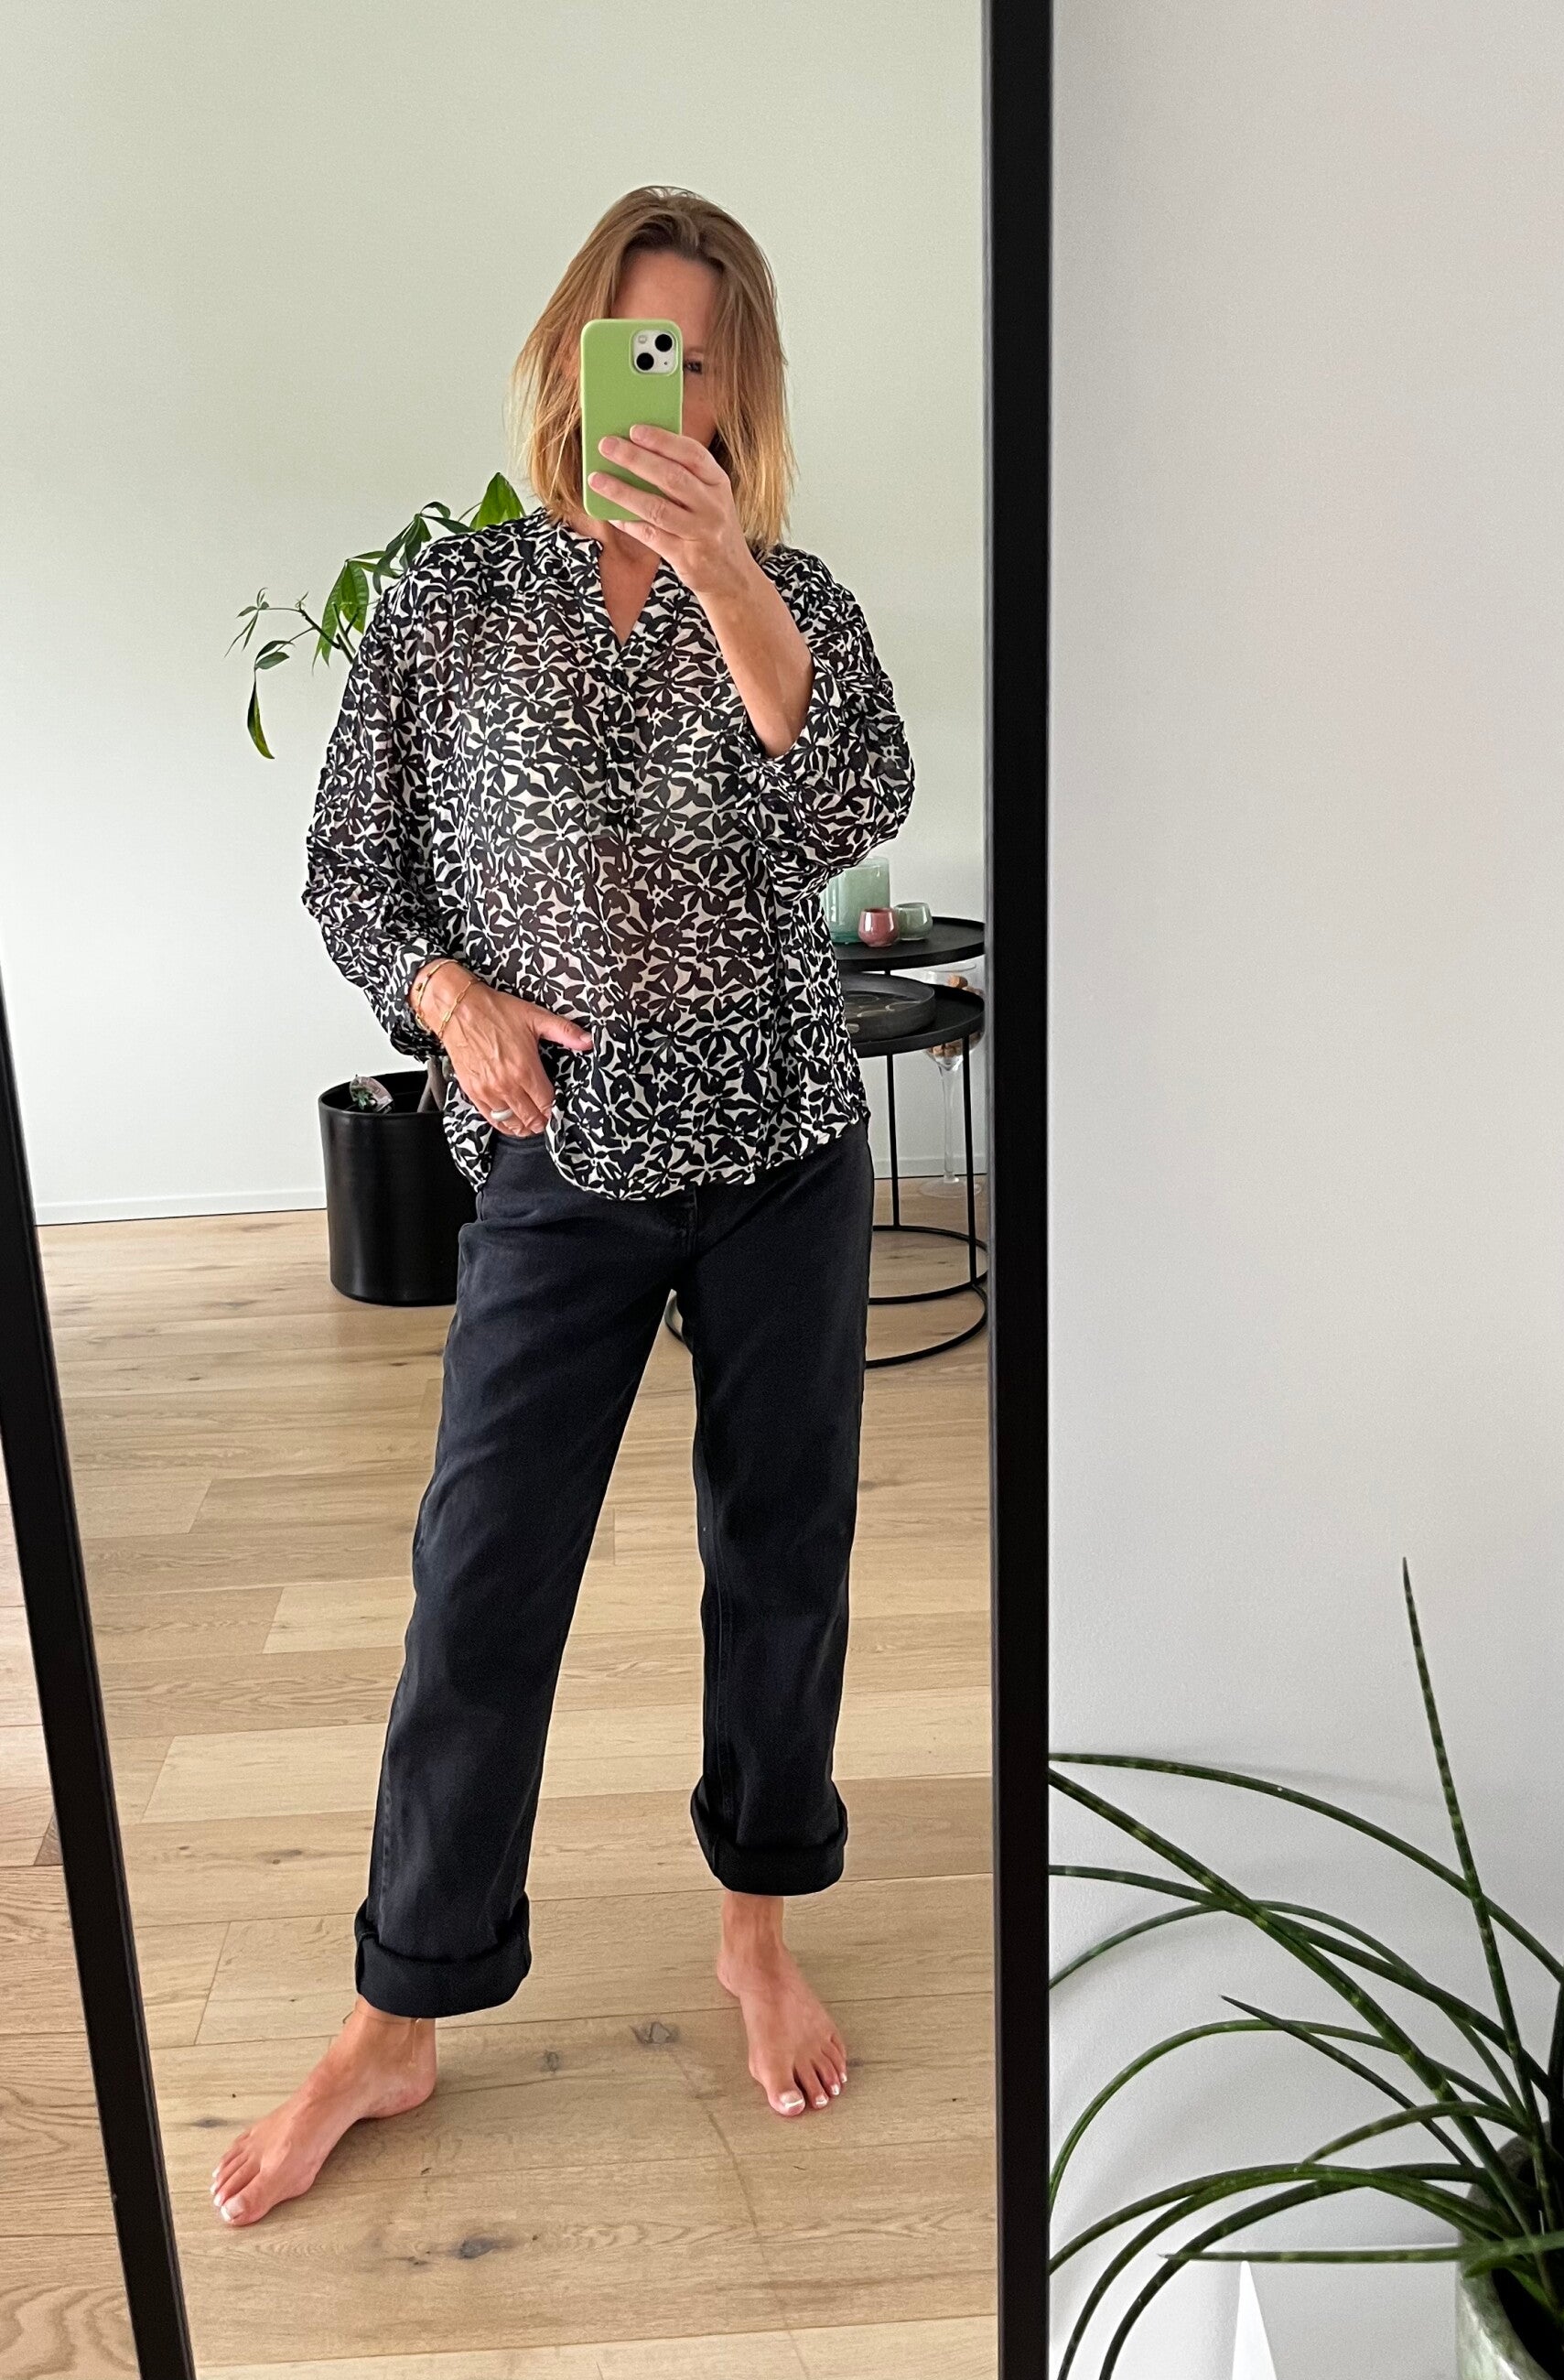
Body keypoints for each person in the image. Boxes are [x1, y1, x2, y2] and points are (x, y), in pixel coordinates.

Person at [208, 186, 913, 2226]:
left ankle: (757, 1927)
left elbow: (856, 803)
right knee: (484, 1570)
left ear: (741, 391)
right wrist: (451, 1003)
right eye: (638, 347)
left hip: (782, 1143)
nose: (665, 392)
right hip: (558, 1158)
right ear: (574, 357)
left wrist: (727, 575)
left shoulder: (793, 597)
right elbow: (354, 870)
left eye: (704, 360)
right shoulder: (451, 604)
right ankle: (399, 2012)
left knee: (783, 1555)